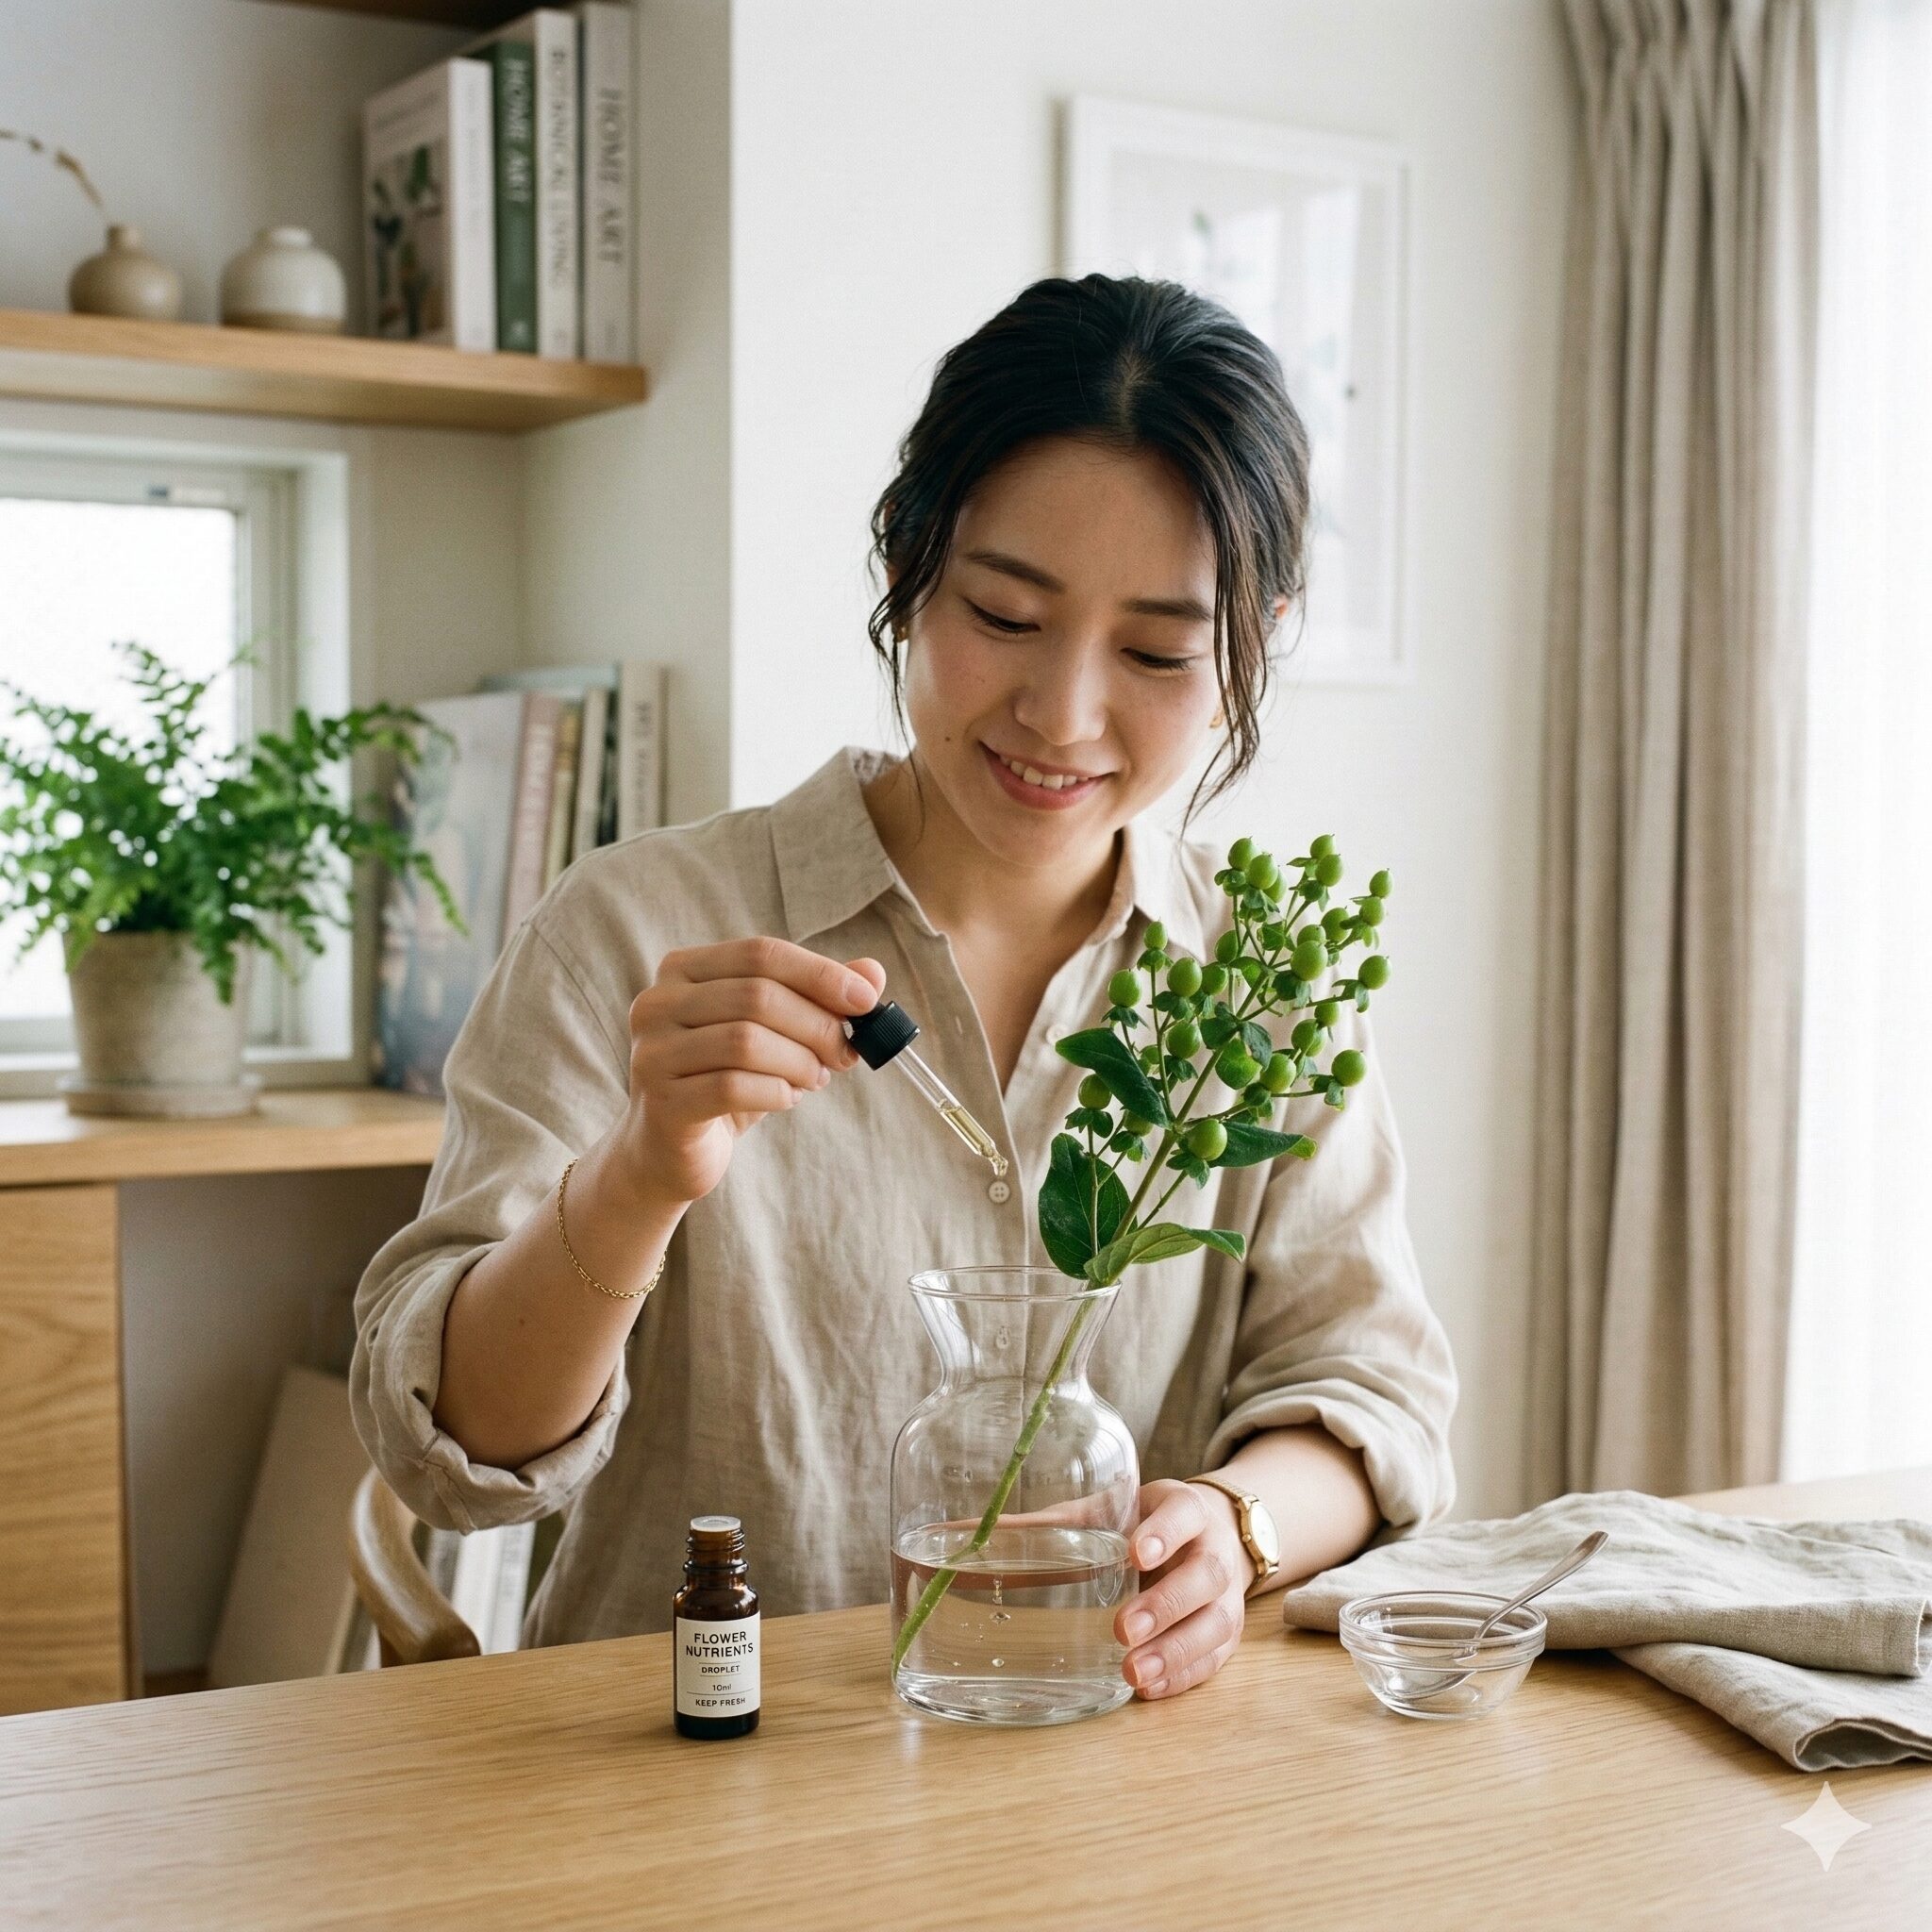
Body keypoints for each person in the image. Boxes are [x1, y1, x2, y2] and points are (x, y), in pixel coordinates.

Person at [352, 272, 1457, 1706]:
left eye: (1158, 653)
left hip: (1114, 1787)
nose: (1063, 715)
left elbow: (1370, 1391)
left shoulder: (1266, 977)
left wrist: (1235, 1528)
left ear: (1255, 643)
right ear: (905, 563)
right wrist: (641, 1172)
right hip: (690, 1790)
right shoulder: (633, 930)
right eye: (1003, 615)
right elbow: (458, 1451)